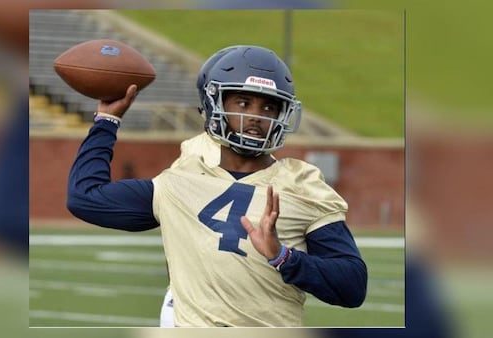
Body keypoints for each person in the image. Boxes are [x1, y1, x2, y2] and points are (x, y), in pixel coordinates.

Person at [67, 45, 367, 327]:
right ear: (214, 103)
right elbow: (85, 198)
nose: (255, 117)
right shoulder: (179, 182)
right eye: (244, 102)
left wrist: (283, 256)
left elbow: (352, 287)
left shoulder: (302, 185)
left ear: (282, 115)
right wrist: (107, 120)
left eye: (269, 108)